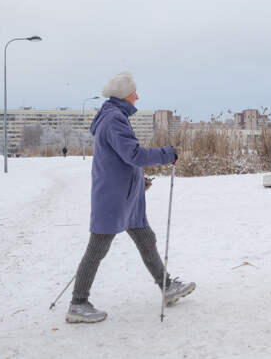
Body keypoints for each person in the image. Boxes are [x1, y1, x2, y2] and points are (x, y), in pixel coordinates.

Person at [66, 71, 195, 324]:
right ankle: (78, 303)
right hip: (113, 198)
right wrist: (167, 154)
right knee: (97, 248)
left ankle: (166, 286)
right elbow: (133, 155)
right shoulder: (114, 119)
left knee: (146, 238)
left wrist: (139, 181)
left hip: (126, 195)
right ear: (125, 95)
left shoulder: (115, 117)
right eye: (134, 92)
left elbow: (122, 159)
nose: (138, 96)